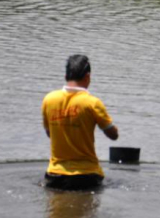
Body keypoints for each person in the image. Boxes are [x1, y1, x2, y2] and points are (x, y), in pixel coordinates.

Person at [42, 55, 119, 190]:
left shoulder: (49, 100)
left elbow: (50, 133)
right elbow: (113, 135)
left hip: (55, 175)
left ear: (66, 75)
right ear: (87, 76)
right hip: (87, 175)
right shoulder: (92, 103)